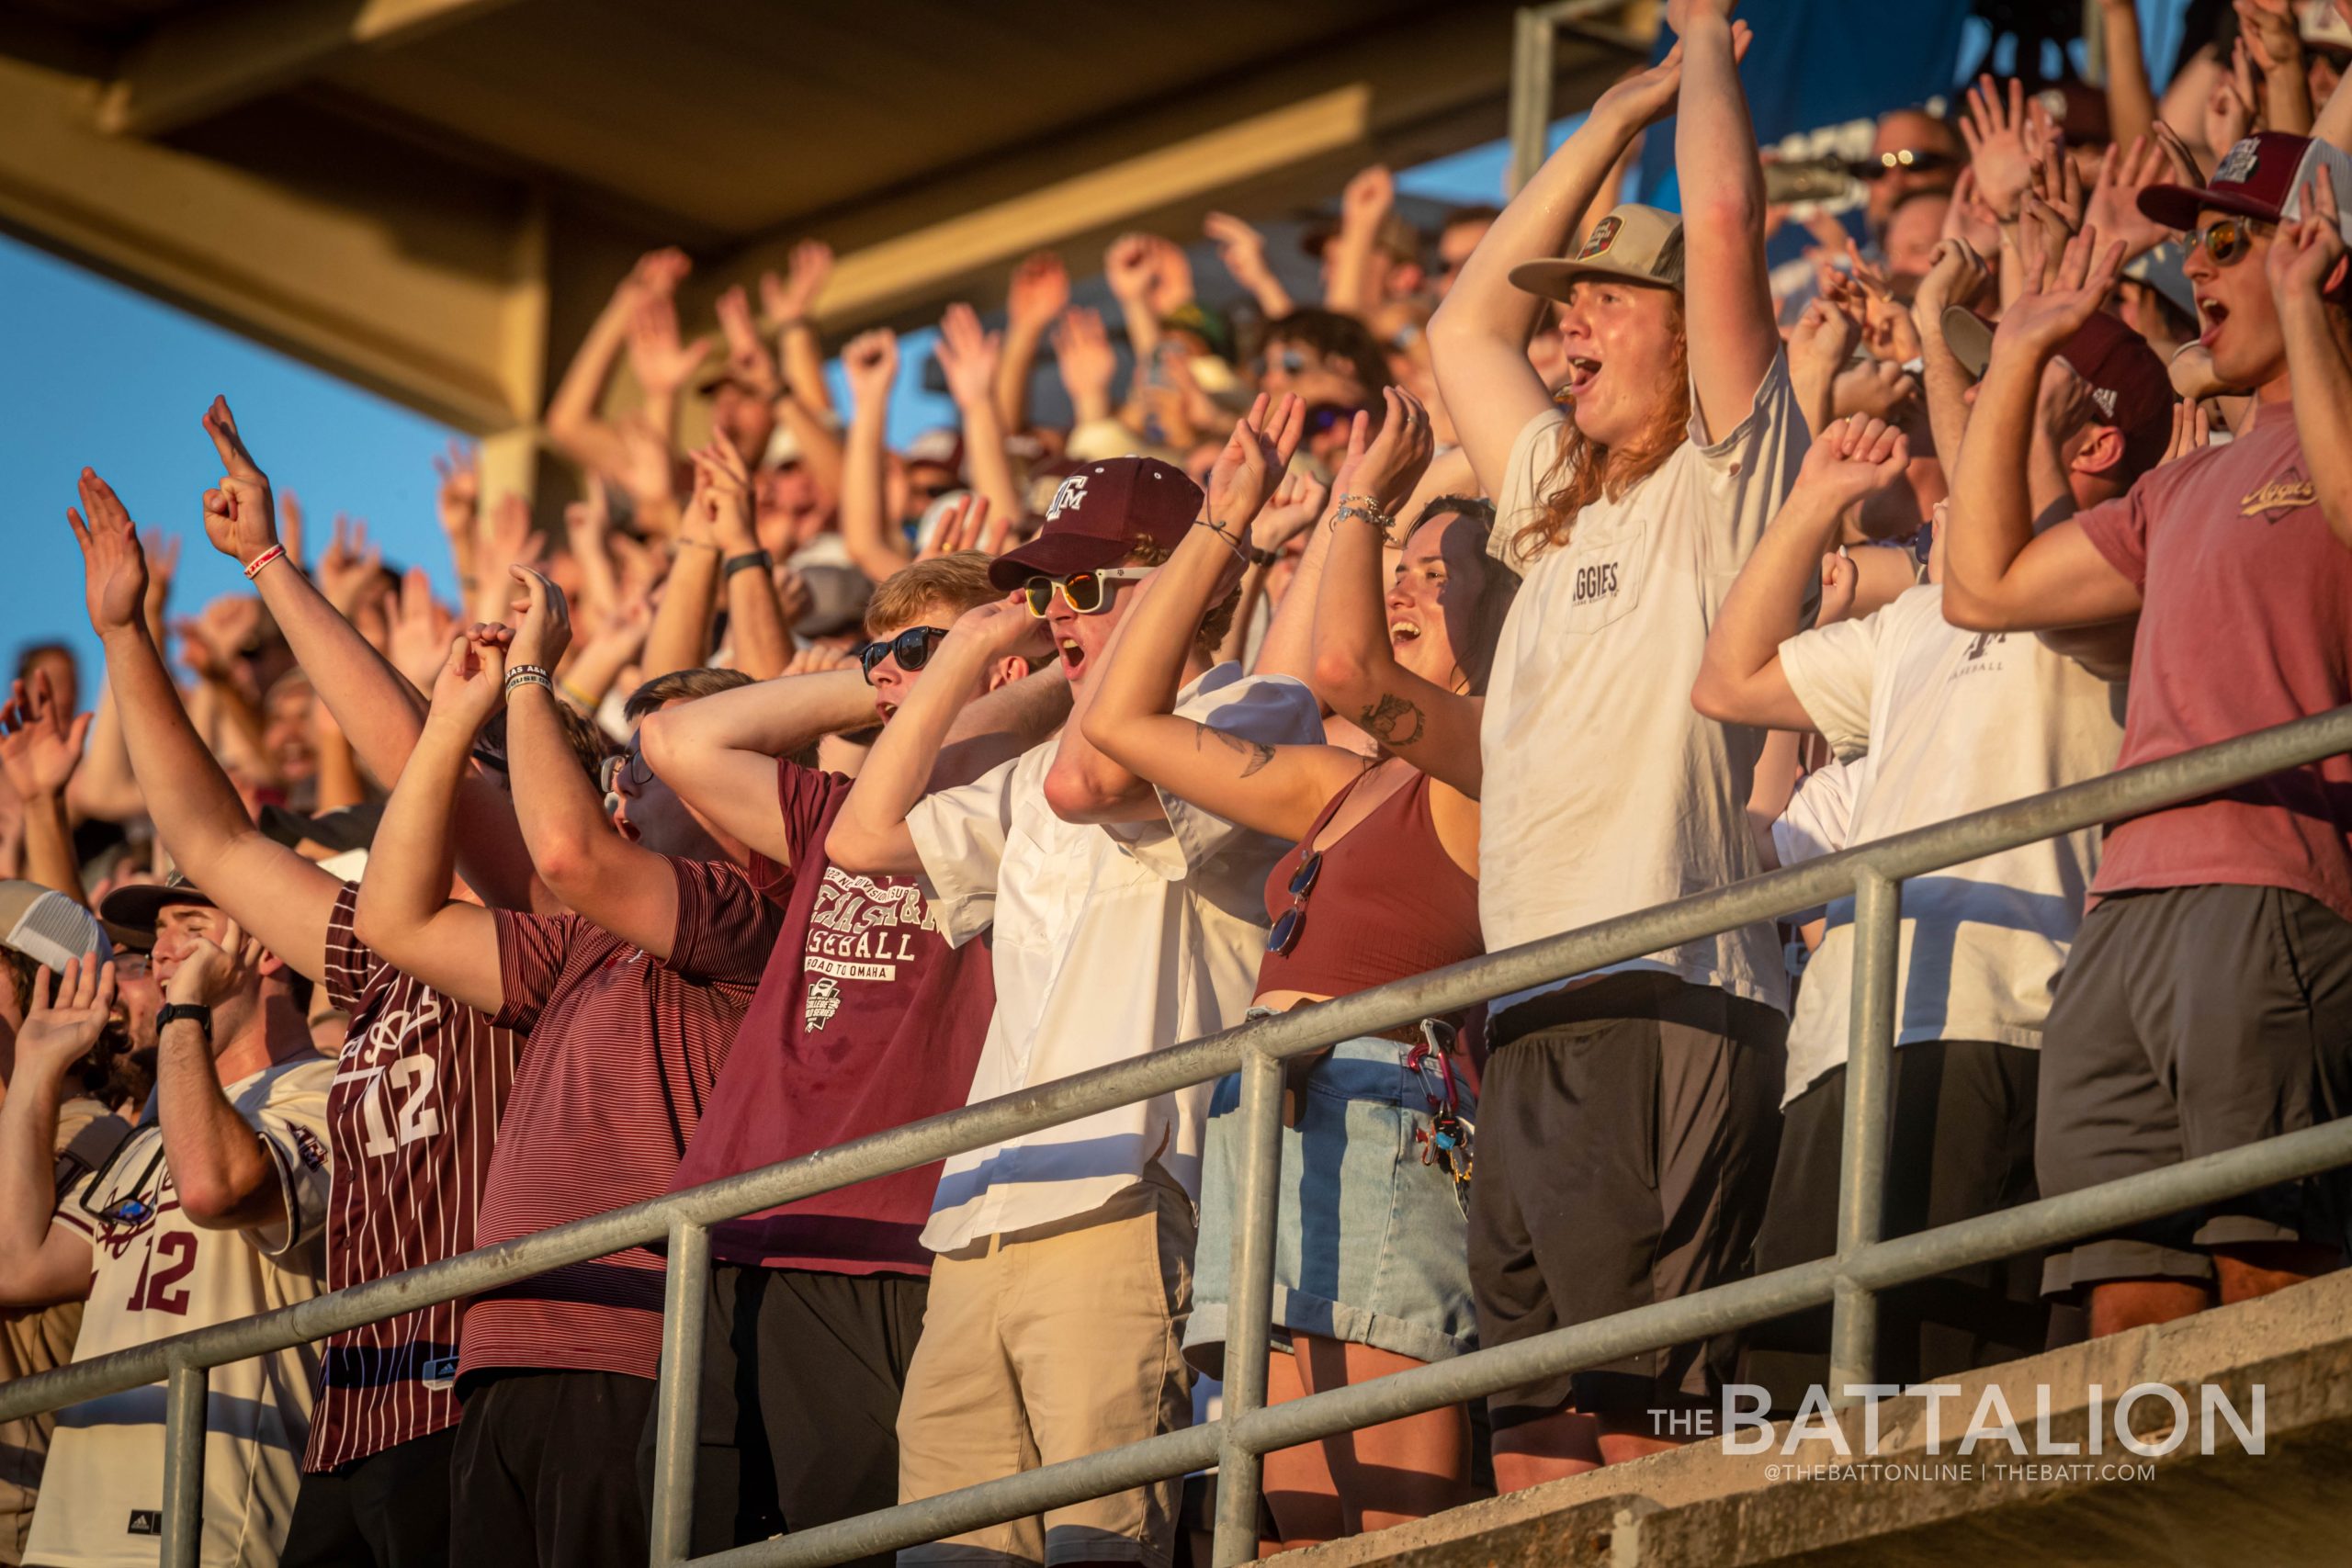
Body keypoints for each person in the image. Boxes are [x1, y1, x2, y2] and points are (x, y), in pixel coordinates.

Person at [65, 412, 604, 1567]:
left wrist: (275, 573)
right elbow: (211, 844)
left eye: (495, 763)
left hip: (479, 1400)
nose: (458, 781)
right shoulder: (392, 952)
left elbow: (428, 761)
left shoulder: (561, 941)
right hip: (352, 1410)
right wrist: (125, 635)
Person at [826, 446, 1323, 1568]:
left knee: (1105, 1548)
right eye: (1043, 586)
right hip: (979, 1213)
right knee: (950, 1558)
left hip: (1123, 1193)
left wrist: (1216, 550)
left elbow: (1090, 783)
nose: (1054, 610)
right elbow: (860, 841)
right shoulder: (1035, 757)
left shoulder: (1252, 704)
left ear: (1182, 578)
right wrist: (964, 653)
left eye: (1085, 586)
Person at [1427, 2, 1794, 1480]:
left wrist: (1703, 39)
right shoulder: (1551, 496)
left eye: (1601, 306)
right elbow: (1463, 322)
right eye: (1565, 310)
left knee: (1649, 1416)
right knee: (1530, 1424)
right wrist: (1607, 121)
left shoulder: (1724, 479)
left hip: (1661, 991)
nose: (1565, 330)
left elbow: (1720, 218)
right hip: (1527, 1002)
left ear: (1682, 329)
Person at [1080, 389, 1513, 1551]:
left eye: (1442, 568)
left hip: (1382, 1105)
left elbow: (1339, 659)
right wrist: (1219, 526)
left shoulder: (1487, 755)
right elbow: (1116, 716)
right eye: (1403, 563)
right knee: (1279, 1526)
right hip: (1261, 1120)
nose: (1411, 584)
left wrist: (1361, 503)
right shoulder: (1340, 782)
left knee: (1389, 1524)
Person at [1941, 133, 2352, 1338]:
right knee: (2126, 1288)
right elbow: (1986, 587)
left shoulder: (2330, 432)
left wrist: (2308, 320)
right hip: (2125, 907)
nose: (2195, 269)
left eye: (2228, 239)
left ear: (2320, 254)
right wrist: (2019, 349)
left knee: (2270, 1264)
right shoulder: (2185, 480)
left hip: (2275, 883)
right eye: (2191, 241)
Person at [634, 546, 1065, 1559]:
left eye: (914, 653)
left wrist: (967, 662)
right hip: (732, 1235)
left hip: (885, 1243)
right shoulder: (831, 815)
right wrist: (894, 671)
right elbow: (677, 737)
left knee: (857, 1543)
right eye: (878, 656)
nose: (883, 676)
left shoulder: (1038, 819)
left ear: (1002, 665)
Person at [1692, 413, 2130, 1405]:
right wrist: (1811, 503)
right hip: (1840, 1043)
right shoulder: (1911, 624)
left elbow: (2003, 565)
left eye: (2011, 416)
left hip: (2002, 1020)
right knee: (1804, 1409)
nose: (1974, 437)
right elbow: (1727, 680)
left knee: (1953, 1401)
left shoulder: (2113, 585)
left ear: (2096, 448)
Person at [354, 570, 784, 1568]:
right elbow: (395, 921)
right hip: (502, 1351)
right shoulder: (584, 940)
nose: (621, 779)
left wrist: (531, 677)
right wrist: (450, 721)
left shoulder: (746, 907)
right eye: (625, 758)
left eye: (653, 761)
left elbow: (567, 849)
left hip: (630, 1347)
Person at [0, 881, 333, 1568]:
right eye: (158, 936)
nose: (160, 953)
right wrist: (35, 1066)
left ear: (265, 946)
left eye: (189, 926)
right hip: (70, 1528)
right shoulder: (146, 1142)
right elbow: (15, 1265)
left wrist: (185, 1011)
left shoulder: (324, 1090)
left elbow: (214, 1187)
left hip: (201, 1531)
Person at [0, 884, 125, 1568]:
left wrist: (28, 1070)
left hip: (17, 1518)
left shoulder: (99, 1133)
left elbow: (6, 1262)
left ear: (42, 985)